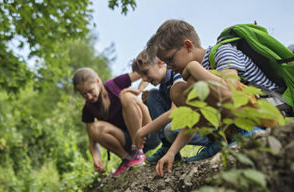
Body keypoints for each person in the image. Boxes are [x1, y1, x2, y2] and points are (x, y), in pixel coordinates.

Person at [148, 19, 283, 176]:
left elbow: (229, 92)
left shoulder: (223, 52)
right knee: (177, 90)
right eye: (165, 63)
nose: (168, 67)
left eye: (170, 60)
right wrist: (172, 152)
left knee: (195, 81)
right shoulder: (200, 72)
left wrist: (194, 68)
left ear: (188, 46)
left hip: (266, 115)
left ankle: (250, 133)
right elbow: (196, 114)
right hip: (236, 119)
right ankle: (219, 143)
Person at [131, 49, 212, 164]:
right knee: (152, 95)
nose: (144, 79)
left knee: (170, 130)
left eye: (145, 72)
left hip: (200, 121)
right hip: (187, 120)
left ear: (159, 63)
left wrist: (142, 131)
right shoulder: (163, 86)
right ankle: (167, 147)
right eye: (141, 76)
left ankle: (212, 141)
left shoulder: (177, 74)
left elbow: (174, 111)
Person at [72, 68, 151, 177]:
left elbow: (146, 71)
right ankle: (127, 159)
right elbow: (92, 142)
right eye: (84, 94)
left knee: (126, 96)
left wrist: (139, 90)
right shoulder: (88, 108)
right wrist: (96, 158)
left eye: (90, 91)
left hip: (146, 132)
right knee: (95, 128)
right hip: (126, 139)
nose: (89, 97)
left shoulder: (114, 84)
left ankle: (138, 150)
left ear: (98, 81)